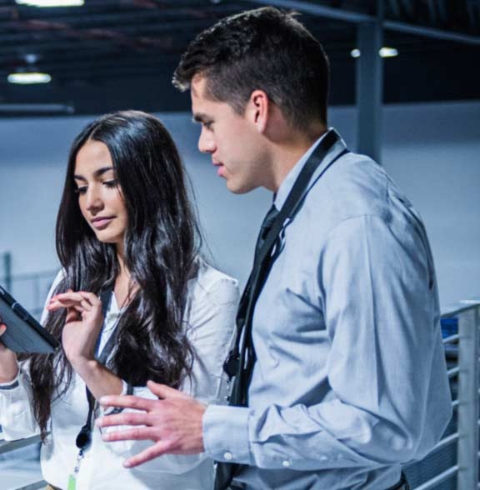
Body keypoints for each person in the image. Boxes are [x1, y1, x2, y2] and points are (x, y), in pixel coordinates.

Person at [97, 8, 452, 490]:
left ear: (258, 110)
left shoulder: (355, 224)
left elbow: (384, 425)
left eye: (209, 122)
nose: (203, 144)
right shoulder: (310, 207)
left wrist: (213, 429)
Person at [0, 110, 238, 489]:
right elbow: (22, 423)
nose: (91, 202)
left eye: (108, 182)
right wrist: (3, 354)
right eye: (80, 188)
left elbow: (182, 451)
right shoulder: (73, 281)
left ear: (151, 183)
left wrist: (88, 365)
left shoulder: (210, 293)